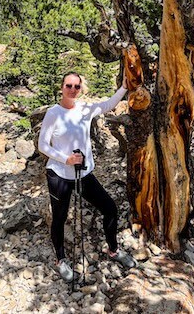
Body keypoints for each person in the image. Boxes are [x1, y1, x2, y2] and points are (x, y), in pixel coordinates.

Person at [38, 71, 135, 282]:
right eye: (68, 86)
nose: (72, 90)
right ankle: (61, 260)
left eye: (76, 86)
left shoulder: (85, 109)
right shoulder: (53, 113)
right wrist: (66, 159)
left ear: (81, 89)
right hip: (59, 174)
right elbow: (42, 145)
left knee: (110, 208)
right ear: (62, 87)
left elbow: (108, 104)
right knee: (60, 218)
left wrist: (124, 88)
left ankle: (113, 250)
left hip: (84, 173)